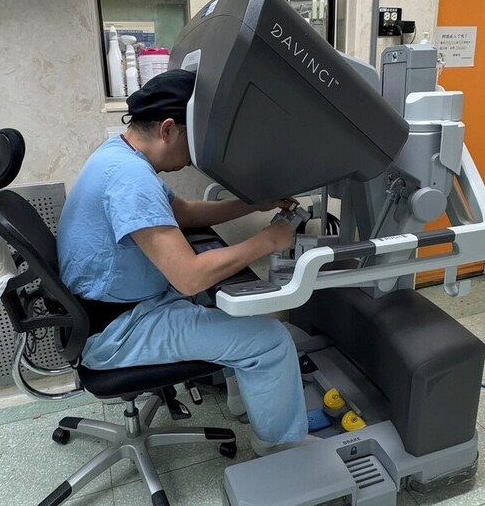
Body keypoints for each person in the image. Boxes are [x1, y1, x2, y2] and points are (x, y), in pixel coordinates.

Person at [57, 69, 315, 456]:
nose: (194, 159)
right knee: (272, 341)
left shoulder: (117, 155)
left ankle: (245, 403)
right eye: (193, 143)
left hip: (111, 310)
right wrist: (268, 240)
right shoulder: (131, 179)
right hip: (120, 330)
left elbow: (185, 213)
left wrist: (254, 204)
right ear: (168, 129)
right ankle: (281, 448)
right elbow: (190, 278)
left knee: (232, 309)